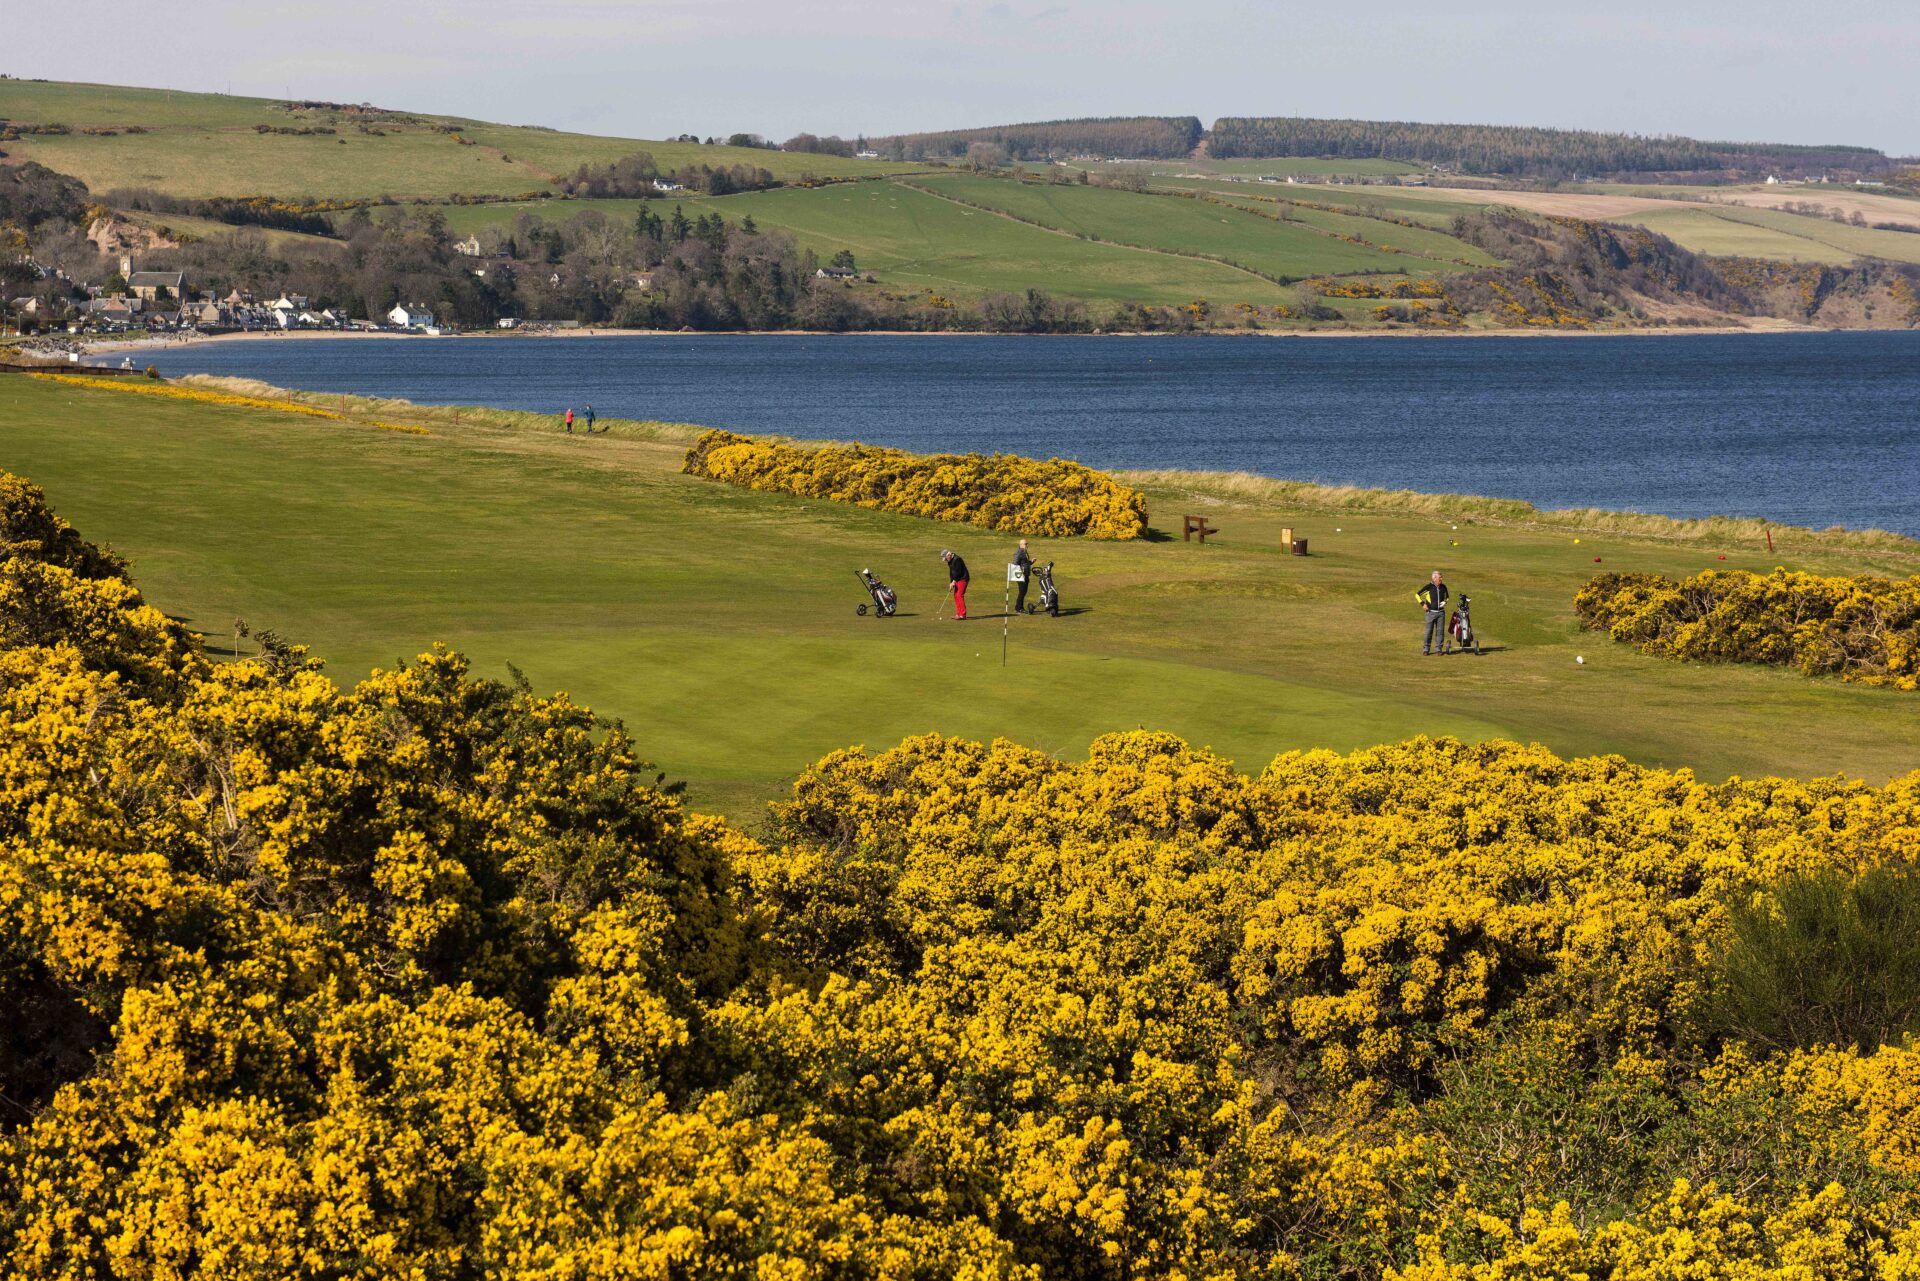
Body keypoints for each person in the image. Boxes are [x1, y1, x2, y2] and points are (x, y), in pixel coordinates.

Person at [1416, 570, 1449, 655]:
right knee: (1428, 632)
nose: (1441, 578)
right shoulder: (1428, 587)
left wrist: (1445, 602)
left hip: (1441, 613)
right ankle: (1426, 649)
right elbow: (1417, 595)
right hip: (1430, 613)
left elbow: (1447, 597)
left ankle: (1439, 649)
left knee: (1440, 632)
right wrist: (1422, 604)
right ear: (1434, 578)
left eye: (1441, 577)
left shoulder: (1443, 587)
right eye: (1440, 577)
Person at [942, 549, 970, 620]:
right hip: (957, 579)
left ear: (948, 555)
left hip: (963, 579)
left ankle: (963, 615)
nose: (945, 560)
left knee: (959, 595)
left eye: (945, 558)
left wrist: (954, 581)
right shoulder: (950, 561)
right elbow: (952, 573)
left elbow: (958, 572)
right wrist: (951, 582)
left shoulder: (957, 560)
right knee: (955, 596)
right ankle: (958, 614)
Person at [1012, 538, 1034, 614]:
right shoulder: (1019, 553)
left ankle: (1020, 607)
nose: (1027, 545)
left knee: (1023, 592)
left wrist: (1030, 562)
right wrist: (1020, 573)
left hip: (1026, 574)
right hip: (1021, 576)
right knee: (1022, 592)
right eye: (1025, 544)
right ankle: (1018, 608)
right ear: (1021, 545)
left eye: (1027, 543)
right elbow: (1015, 564)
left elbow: (1024, 563)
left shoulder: (1024, 552)